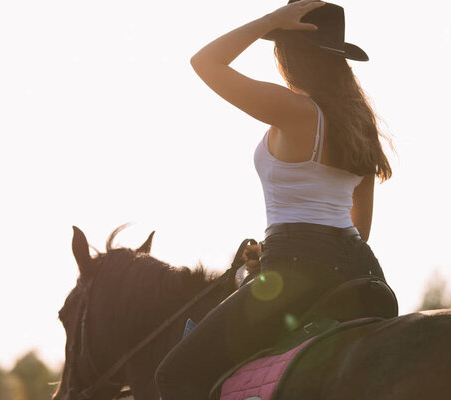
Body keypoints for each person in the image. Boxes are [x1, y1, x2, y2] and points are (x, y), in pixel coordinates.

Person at [155, 1, 393, 398]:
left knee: (174, 375)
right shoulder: (361, 125)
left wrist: (270, 21)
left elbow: (205, 62)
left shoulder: (297, 110)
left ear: (287, 54)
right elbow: (359, 228)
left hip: (298, 272)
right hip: (363, 273)